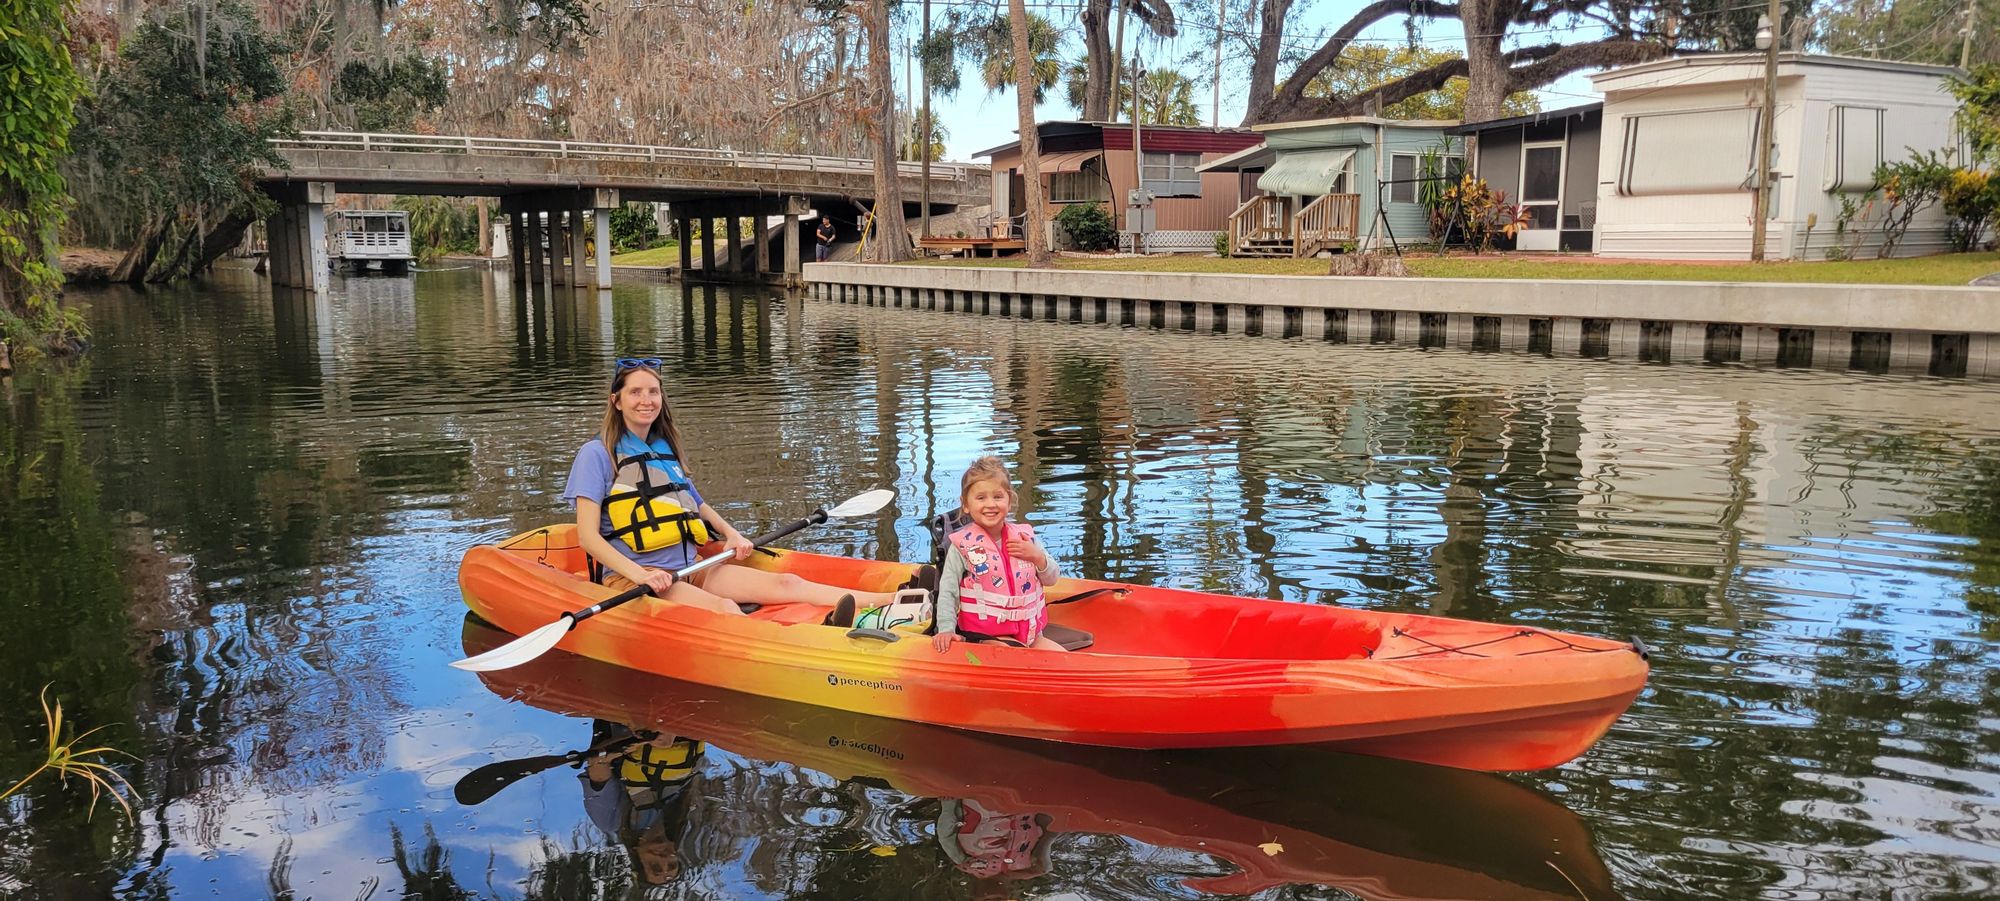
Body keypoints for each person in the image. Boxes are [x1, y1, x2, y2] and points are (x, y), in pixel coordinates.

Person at [563, 357, 900, 622]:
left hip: (689, 567)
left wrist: (733, 535)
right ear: (616, 401)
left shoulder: (663, 449)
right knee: (725, 610)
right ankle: (819, 640)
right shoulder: (597, 454)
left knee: (789, 584)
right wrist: (642, 576)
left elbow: (697, 503)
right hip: (638, 578)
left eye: (653, 391)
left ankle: (893, 602)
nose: (646, 400)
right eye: (635, 392)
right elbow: (588, 537)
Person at [931, 456, 1066, 652]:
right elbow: (948, 592)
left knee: (1063, 659)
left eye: (998, 496)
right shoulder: (961, 546)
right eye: (981, 498)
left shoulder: (1026, 539)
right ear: (966, 504)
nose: (990, 504)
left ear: (1009, 500)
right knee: (1013, 653)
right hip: (986, 637)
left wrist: (1037, 557)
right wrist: (945, 629)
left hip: (1031, 634)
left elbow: (1053, 578)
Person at [580, 720, 703, 886]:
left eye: (655, 866)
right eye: (672, 864)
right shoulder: (684, 811)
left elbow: (597, 762)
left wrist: (643, 741)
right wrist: (674, 728)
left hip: (630, 723)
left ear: (636, 854)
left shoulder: (610, 820)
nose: (664, 859)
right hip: (683, 723)